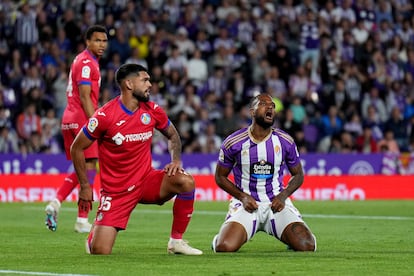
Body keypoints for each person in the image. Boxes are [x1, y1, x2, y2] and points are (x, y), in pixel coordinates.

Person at [70, 63, 203, 255]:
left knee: (185, 181)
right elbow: (77, 148)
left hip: (145, 181)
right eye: (145, 80)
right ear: (129, 84)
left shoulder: (152, 110)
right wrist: (84, 186)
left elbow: (173, 136)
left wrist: (176, 160)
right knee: (100, 251)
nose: (150, 84)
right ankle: (94, 236)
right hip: (116, 192)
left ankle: (176, 242)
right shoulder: (104, 116)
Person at [211, 93, 316, 253]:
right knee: (224, 247)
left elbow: (298, 175)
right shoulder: (234, 142)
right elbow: (220, 177)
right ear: (252, 112)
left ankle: (289, 236)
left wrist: (283, 196)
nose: (270, 108)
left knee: (307, 246)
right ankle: (218, 238)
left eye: (273, 106)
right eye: (264, 104)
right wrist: (243, 197)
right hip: (246, 205)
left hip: (276, 204)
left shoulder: (285, 141)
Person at [44, 25, 108, 233]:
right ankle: (81, 219)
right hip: (81, 117)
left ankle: (57, 202)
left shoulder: (81, 60)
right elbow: (84, 95)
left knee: (83, 168)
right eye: (97, 40)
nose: (101, 45)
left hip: (69, 118)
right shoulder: (87, 63)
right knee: (89, 169)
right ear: (87, 41)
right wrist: (94, 124)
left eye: (104, 41)